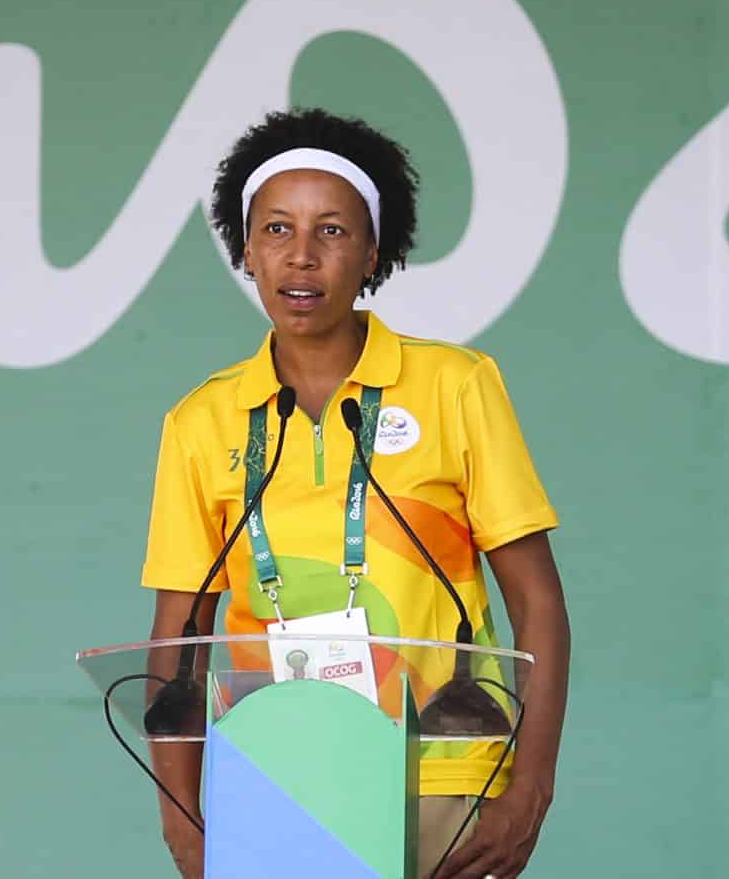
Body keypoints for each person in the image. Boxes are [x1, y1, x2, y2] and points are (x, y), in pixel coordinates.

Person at [140, 107, 571, 879]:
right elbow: (179, 632)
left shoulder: (455, 386)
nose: (300, 257)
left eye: (332, 231)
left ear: (375, 250)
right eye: (276, 229)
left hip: (441, 774)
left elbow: (538, 604)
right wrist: (182, 820)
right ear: (246, 248)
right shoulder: (200, 421)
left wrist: (531, 784)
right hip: (272, 779)